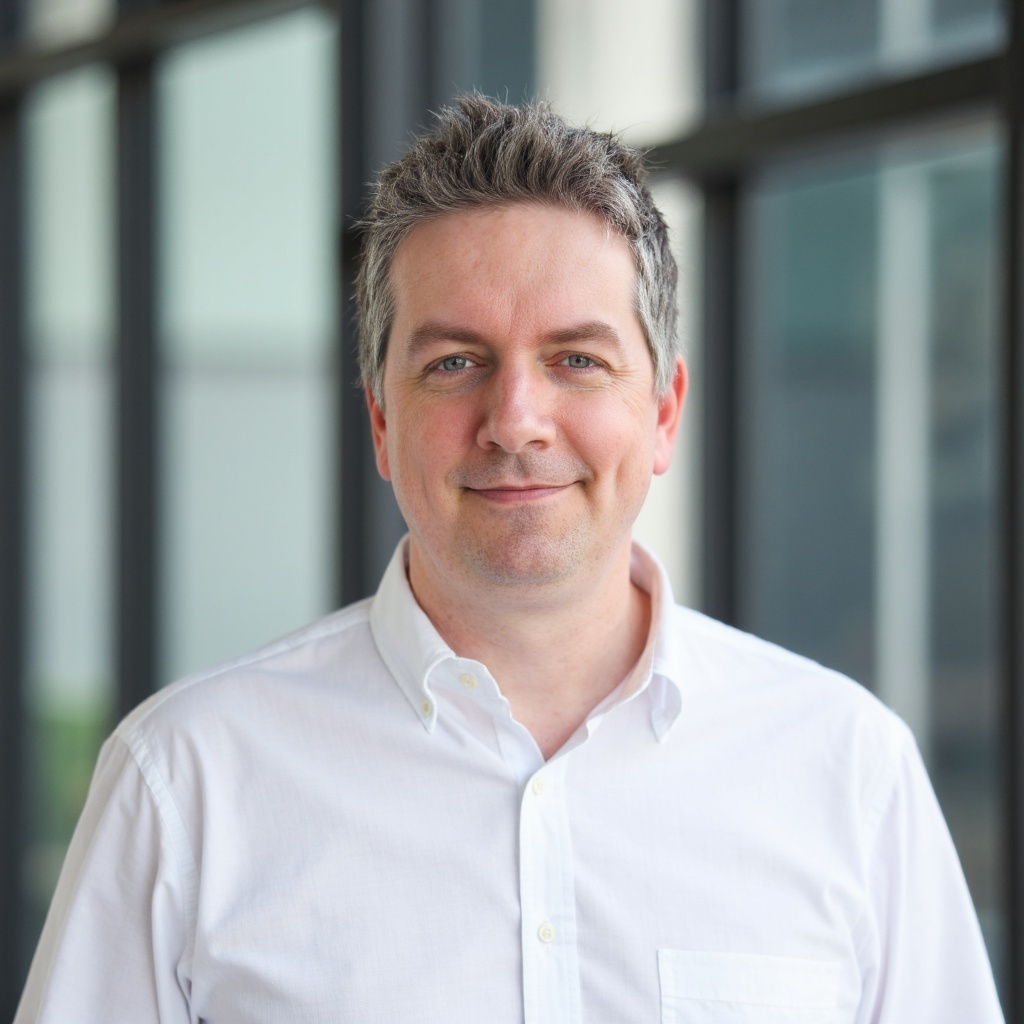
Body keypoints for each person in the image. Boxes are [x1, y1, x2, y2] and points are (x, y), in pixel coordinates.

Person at [16, 95, 1002, 1024]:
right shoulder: (186, 780)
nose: (516, 421)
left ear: (661, 411)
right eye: (455, 362)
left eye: (577, 358)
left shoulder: (847, 771)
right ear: (379, 419)